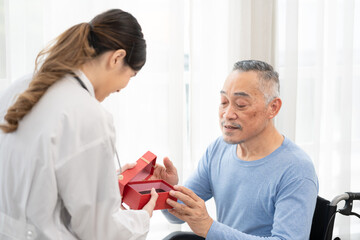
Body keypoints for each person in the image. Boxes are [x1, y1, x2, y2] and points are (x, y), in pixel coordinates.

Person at [0, 9, 161, 240]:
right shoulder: (89, 116)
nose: (122, 88)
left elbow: (38, 179)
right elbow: (99, 231)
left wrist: (103, 181)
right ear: (117, 58)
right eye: (131, 76)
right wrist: (141, 218)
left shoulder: (20, 88)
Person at [160, 60, 319, 240]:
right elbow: (175, 215)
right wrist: (164, 189)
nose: (227, 114)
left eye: (241, 104)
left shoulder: (296, 169)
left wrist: (208, 227)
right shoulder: (218, 150)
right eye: (223, 102)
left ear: (273, 108)